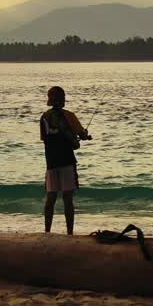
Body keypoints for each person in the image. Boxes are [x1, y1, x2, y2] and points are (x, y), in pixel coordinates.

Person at [39, 85, 91, 235]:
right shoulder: (69, 116)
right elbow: (81, 135)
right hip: (67, 161)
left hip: (51, 162)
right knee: (68, 199)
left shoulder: (44, 117)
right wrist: (85, 136)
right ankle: (69, 233)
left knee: (51, 199)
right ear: (63, 100)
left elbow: (45, 139)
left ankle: (47, 232)